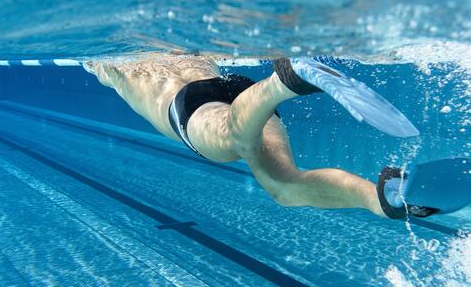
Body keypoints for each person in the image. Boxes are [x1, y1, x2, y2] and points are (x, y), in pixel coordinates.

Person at [84, 53, 437, 219]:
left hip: (188, 107)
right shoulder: (183, 47)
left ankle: (286, 82)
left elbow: (107, 68)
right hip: (238, 90)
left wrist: (99, 67)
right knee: (284, 188)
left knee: (231, 141)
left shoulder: (108, 64)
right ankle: (385, 199)